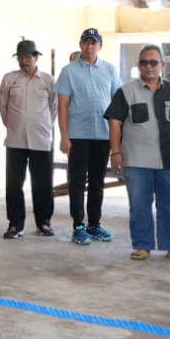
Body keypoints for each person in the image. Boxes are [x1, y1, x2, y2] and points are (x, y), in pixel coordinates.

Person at [105, 44, 170, 262]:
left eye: (153, 62)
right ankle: (142, 246)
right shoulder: (126, 91)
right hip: (137, 161)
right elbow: (115, 122)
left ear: (162, 65)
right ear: (139, 65)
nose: (149, 66)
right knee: (139, 206)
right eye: (144, 62)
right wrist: (115, 153)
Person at [55, 28, 122, 245]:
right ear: (80, 44)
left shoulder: (110, 70)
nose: (89, 46)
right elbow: (62, 106)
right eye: (86, 42)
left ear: (100, 46)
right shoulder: (69, 71)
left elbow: (118, 103)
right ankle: (78, 226)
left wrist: (118, 139)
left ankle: (94, 224)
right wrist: (64, 136)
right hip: (77, 135)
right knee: (76, 182)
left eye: (94, 42)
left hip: (103, 135)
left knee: (97, 182)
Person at [0, 39, 57, 239]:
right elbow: (3, 107)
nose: (24, 61)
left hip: (41, 140)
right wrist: (14, 125)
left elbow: (53, 108)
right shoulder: (9, 79)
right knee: (14, 184)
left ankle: (44, 222)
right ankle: (15, 224)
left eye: (27, 57)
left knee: (43, 184)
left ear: (35, 57)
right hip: (15, 140)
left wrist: (41, 124)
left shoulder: (48, 80)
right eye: (20, 57)